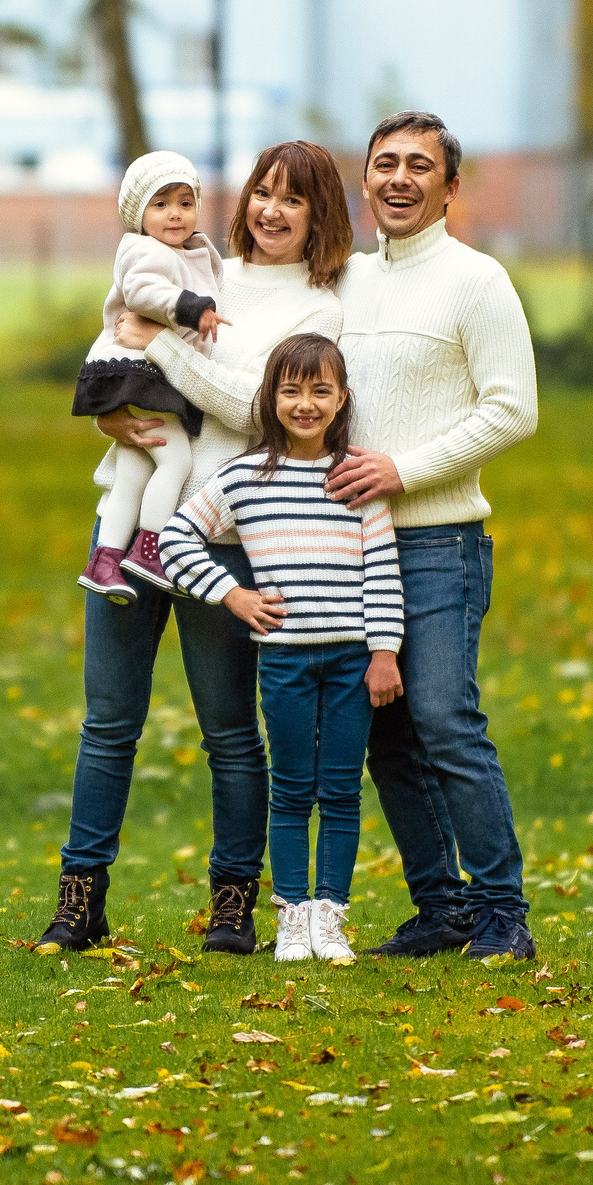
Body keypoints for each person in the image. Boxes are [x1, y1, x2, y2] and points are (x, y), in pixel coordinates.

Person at [35, 141, 352, 959]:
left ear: (319, 214)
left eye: (293, 199)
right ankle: (79, 897)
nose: (271, 211)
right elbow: (116, 345)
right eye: (261, 193)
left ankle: (234, 902)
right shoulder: (196, 264)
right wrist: (112, 407)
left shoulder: (319, 307)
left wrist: (162, 339)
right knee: (108, 722)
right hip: (135, 514)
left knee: (228, 732)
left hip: (224, 538)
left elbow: (259, 410)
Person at [324, 111, 540, 961]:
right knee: (385, 730)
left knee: (446, 717)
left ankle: (502, 913)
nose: (400, 178)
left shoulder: (476, 280)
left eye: (420, 165)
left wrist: (403, 469)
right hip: (352, 543)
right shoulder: (340, 280)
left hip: (440, 540)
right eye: (385, 164)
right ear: (366, 179)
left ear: (451, 188)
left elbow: (513, 409)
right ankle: (440, 909)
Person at [158, 334, 404, 966]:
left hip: (353, 661)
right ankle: (292, 916)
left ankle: (331, 916)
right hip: (286, 660)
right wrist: (232, 595)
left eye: (320, 391)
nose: (305, 405)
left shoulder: (356, 478)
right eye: (291, 391)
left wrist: (385, 653)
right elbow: (175, 539)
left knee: (342, 789)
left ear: (342, 397)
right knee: (292, 787)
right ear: (270, 398)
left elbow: (381, 569)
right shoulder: (243, 478)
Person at [71, 152, 227, 602]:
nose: (175, 213)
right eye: (160, 204)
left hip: (139, 373)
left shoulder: (183, 251)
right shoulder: (142, 249)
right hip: (138, 373)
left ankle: (104, 561)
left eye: (185, 201)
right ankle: (150, 549)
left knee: (134, 470)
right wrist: (191, 307)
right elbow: (143, 290)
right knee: (176, 461)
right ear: (138, 214)